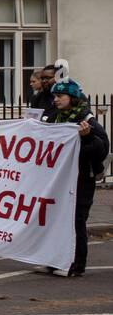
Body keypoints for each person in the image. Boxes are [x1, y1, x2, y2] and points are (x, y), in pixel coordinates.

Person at [42, 78, 108, 278]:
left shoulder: (85, 119)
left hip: (81, 178)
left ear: (72, 98)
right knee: (55, 218)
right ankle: (54, 260)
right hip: (59, 179)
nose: (56, 100)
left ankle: (76, 263)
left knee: (76, 220)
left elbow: (101, 149)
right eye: (54, 96)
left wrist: (87, 137)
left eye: (60, 96)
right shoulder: (54, 117)